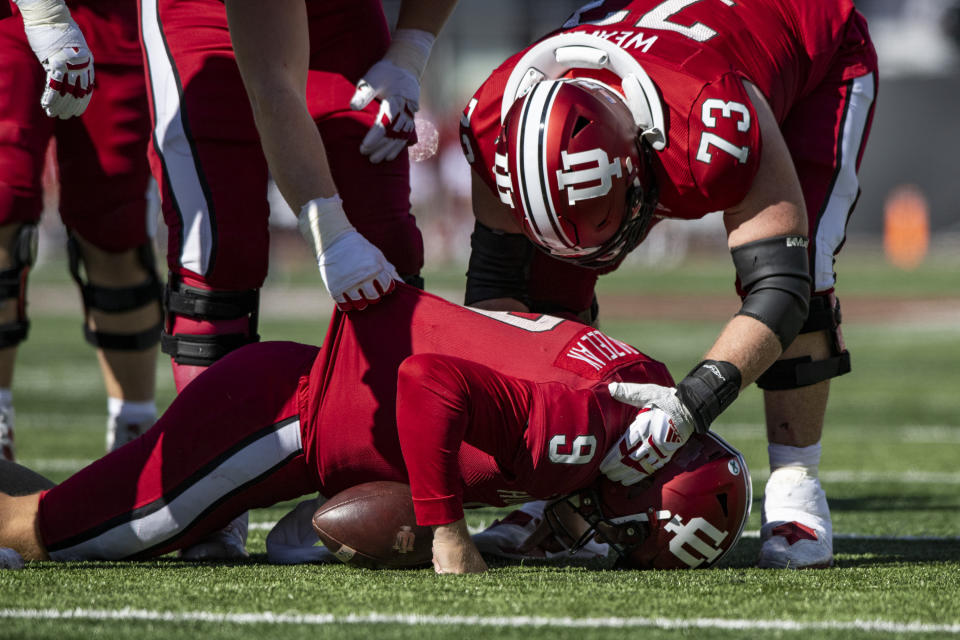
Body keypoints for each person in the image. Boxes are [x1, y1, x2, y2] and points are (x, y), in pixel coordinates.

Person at [459, 0, 878, 569]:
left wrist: (690, 405)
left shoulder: (708, 119)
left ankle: (796, 483)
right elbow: (494, 295)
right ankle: (552, 489)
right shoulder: (493, 119)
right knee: (536, 289)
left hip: (811, 51)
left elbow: (781, 290)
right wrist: (544, 449)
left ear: (637, 159)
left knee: (809, 270)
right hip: (674, 63)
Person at [0, 285, 751, 573]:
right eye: (622, 535)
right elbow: (430, 386)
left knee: (90, 507)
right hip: (284, 418)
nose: (598, 539)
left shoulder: (643, 383)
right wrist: (447, 531)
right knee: (48, 535)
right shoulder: (583, 438)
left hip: (309, 401)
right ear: (638, 488)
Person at [138, 0, 456, 394]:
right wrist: (330, 232)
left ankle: (390, 437)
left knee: (386, 239)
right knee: (219, 249)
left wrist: (412, 48)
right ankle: (215, 440)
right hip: (205, 13)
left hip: (338, 15)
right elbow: (271, 85)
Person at [0, 0, 161, 462]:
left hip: (115, 19)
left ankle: (134, 430)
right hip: (9, 15)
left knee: (116, 228)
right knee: (3, 203)